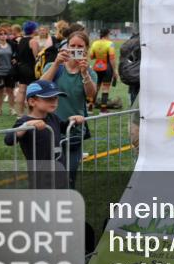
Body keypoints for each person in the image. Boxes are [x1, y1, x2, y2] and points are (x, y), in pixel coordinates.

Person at [39, 30, 96, 188]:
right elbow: (40, 87)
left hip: (74, 130)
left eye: (80, 46)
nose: (75, 49)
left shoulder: (89, 72)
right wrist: (57, 63)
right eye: (73, 45)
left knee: (69, 174)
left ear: (86, 49)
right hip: (51, 129)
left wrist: (85, 74)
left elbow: (91, 95)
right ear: (66, 46)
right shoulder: (54, 66)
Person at [13, 21, 40, 116]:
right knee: (32, 91)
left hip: (21, 67)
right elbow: (37, 57)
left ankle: (19, 113)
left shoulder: (21, 40)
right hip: (31, 68)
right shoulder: (33, 41)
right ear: (33, 30)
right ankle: (30, 112)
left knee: (21, 90)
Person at [89, 28, 117, 112]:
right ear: (107, 34)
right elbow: (112, 58)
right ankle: (103, 110)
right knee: (105, 88)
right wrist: (115, 71)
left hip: (97, 67)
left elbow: (91, 56)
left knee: (95, 88)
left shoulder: (95, 43)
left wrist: (98, 55)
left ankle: (90, 108)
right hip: (107, 67)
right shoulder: (110, 44)